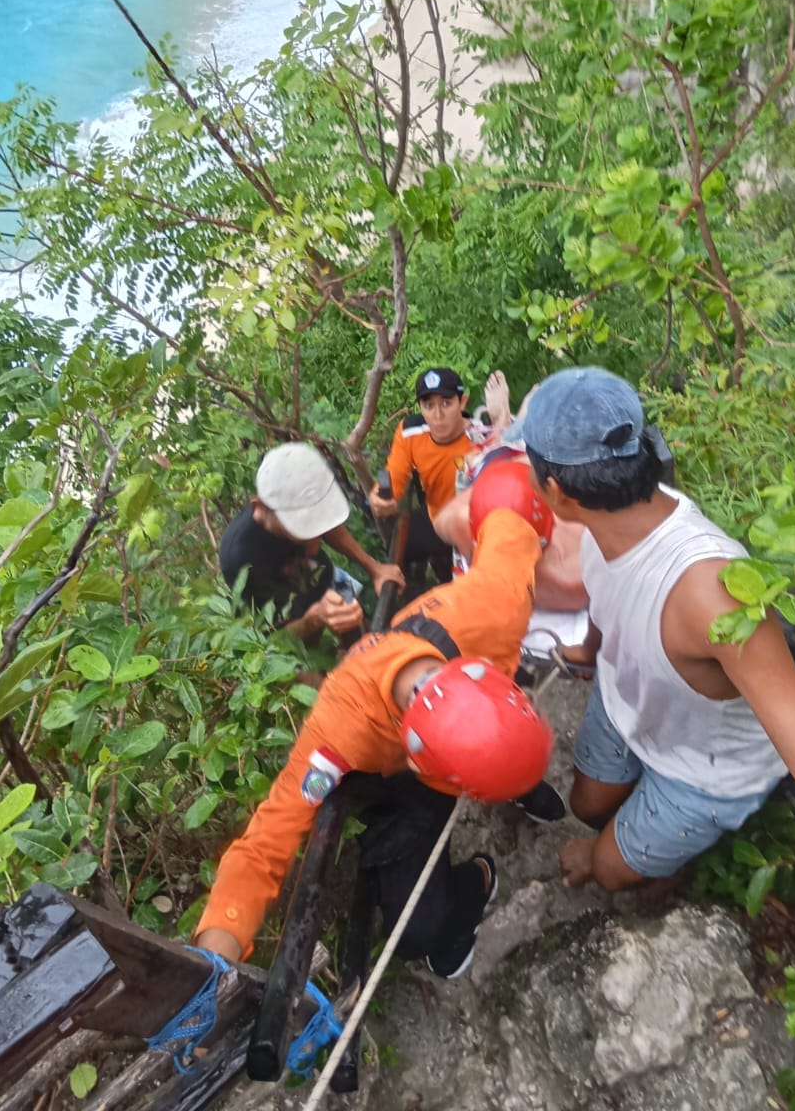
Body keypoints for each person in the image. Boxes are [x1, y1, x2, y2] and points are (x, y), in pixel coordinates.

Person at [521, 366, 795, 912]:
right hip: (629, 692)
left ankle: (651, 868)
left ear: (556, 491)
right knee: (586, 804)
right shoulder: (604, 528)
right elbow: (607, 603)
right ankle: (631, 843)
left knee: (605, 870)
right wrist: (587, 653)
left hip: (706, 767)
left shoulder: (710, 592)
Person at [196, 479, 559, 980]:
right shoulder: (338, 732)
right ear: (416, 762)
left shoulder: (493, 606)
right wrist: (214, 962)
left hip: (469, 727)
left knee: (509, 754)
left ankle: (517, 777)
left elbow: (509, 510)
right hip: (411, 775)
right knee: (419, 935)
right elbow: (266, 843)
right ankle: (476, 881)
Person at [220, 443, 404, 643]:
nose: (315, 545)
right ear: (260, 507)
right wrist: (316, 618)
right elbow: (273, 641)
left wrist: (374, 568)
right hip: (299, 626)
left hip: (330, 582)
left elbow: (329, 527)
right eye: (302, 528)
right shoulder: (240, 561)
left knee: (367, 633)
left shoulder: (296, 505)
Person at [367, 367, 488, 581]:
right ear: (420, 408)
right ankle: (410, 593)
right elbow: (391, 475)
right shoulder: (410, 432)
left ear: (462, 402)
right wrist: (380, 495)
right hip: (437, 519)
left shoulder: (481, 438)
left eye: (446, 403)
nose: (438, 415)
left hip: (477, 528)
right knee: (395, 552)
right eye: (429, 405)